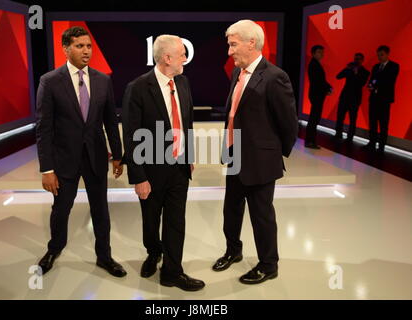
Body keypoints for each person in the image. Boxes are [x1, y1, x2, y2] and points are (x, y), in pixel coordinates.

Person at [35, 26, 126, 277]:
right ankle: (54, 249)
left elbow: (110, 121)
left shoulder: (102, 80)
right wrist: (47, 169)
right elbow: (44, 129)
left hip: (96, 157)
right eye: (79, 46)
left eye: (88, 46)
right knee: (61, 209)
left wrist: (118, 155)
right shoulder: (50, 81)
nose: (86, 51)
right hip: (64, 160)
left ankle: (104, 256)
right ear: (66, 48)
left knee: (101, 209)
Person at [212, 20, 297, 285]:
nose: (229, 51)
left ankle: (269, 264)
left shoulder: (275, 76)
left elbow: (288, 123)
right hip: (235, 155)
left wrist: (272, 153)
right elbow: (233, 113)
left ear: (252, 43)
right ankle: (233, 251)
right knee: (231, 210)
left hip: (261, 161)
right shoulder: (238, 73)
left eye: (233, 44)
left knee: (261, 215)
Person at [121, 35, 204, 291]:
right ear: (167, 58)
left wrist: (188, 156)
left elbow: (186, 122)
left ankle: (172, 272)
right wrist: (138, 177)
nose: (185, 58)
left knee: (176, 221)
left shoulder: (184, 82)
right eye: (181, 54)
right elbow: (132, 136)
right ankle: (153, 253)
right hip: (151, 170)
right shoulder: (137, 87)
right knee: (150, 220)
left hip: (179, 168)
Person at [364, 45, 400, 153]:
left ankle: (381, 146)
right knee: (373, 122)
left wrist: (376, 85)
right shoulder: (375, 67)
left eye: (382, 55)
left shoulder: (394, 66)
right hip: (374, 98)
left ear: (387, 54)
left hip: (384, 99)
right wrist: (370, 85)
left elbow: (389, 80)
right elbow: (372, 79)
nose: (380, 57)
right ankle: (372, 143)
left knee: (383, 123)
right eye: (378, 55)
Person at [334, 53, 370, 142]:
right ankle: (338, 133)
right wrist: (347, 69)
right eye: (355, 59)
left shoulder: (365, 72)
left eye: (358, 59)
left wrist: (356, 73)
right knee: (340, 116)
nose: (356, 61)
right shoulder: (349, 68)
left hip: (355, 98)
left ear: (362, 60)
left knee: (353, 119)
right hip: (345, 96)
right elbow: (338, 76)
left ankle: (350, 137)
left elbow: (362, 83)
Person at [305, 45, 332, 149]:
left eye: (322, 52)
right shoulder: (314, 65)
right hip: (317, 94)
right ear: (313, 53)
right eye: (319, 52)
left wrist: (328, 87)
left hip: (317, 94)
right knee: (314, 118)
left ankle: (311, 141)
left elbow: (321, 81)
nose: (321, 54)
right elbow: (318, 81)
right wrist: (327, 88)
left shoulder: (316, 64)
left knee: (314, 118)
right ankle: (310, 141)